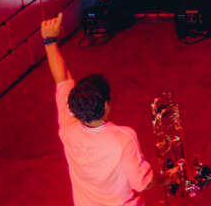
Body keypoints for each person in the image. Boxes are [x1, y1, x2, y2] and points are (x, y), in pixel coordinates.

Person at [41, 15, 157, 206]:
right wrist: (169, 178)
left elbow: (61, 79)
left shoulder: (68, 128)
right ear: (106, 105)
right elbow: (142, 183)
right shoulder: (123, 139)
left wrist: (49, 41)